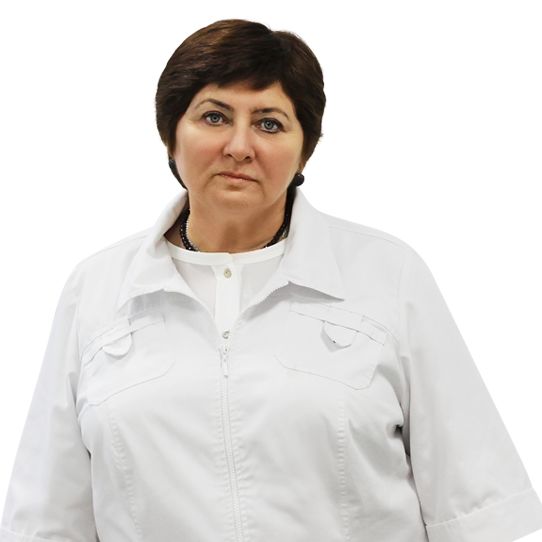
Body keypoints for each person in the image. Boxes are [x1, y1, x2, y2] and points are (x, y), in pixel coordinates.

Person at [1, 18, 541, 542]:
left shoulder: (388, 276)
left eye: (269, 123)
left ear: (305, 148)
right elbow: (48, 522)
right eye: (214, 116)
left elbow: (475, 512)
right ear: (170, 135)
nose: (239, 146)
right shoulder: (96, 290)